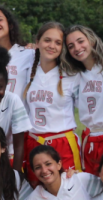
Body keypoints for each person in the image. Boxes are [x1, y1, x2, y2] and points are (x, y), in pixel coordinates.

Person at [22, 22, 81, 185]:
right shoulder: (28, 68)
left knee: (68, 193)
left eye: (58, 42)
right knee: (38, 195)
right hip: (34, 141)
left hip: (62, 142)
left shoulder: (73, 74)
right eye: (47, 40)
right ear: (38, 41)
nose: (52, 46)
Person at [63, 25, 103, 176]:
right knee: (91, 192)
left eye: (80, 41)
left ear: (92, 40)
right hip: (89, 140)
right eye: (71, 46)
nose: (77, 47)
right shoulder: (74, 75)